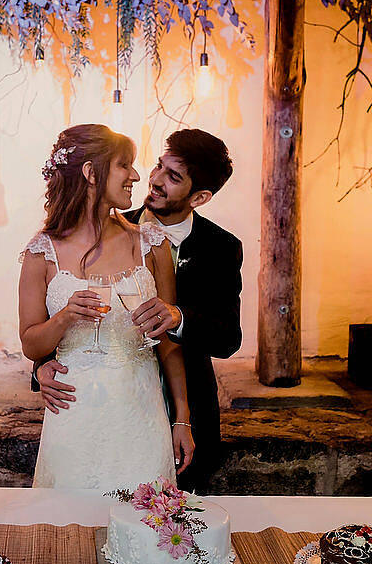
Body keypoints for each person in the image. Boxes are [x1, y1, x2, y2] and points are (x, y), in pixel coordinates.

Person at [34, 128, 242, 493]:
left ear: (201, 197)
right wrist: (42, 365)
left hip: (182, 411)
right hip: (97, 406)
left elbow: (228, 337)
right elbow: (53, 311)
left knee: (164, 524)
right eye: (160, 166)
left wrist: (178, 318)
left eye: (173, 177)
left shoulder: (221, 248)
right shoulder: (105, 222)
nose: (155, 179)